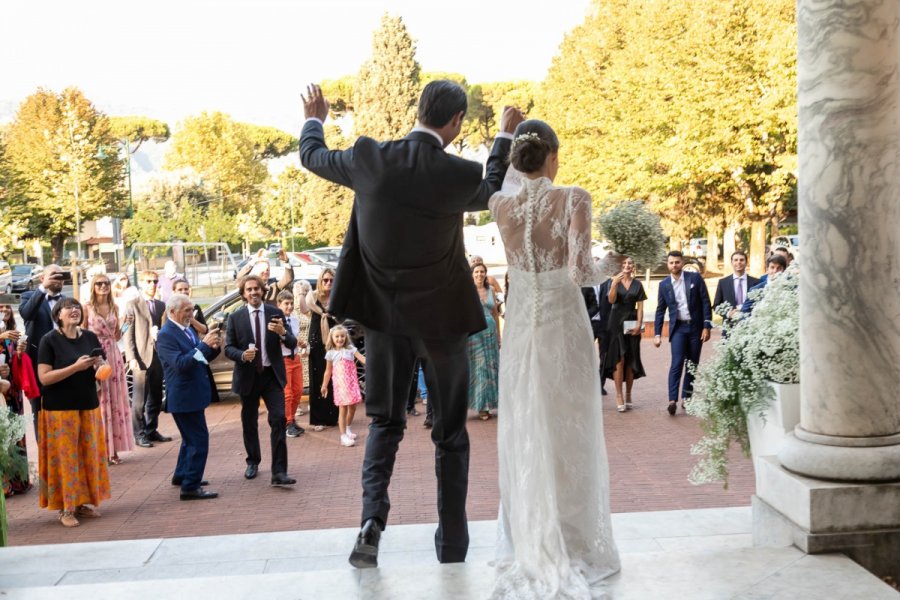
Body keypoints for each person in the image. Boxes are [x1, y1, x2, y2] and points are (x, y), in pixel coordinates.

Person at [300, 80, 521, 568]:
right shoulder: (456, 173)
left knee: (385, 423)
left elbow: (311, 157)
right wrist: (503, 139)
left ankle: (371, 522)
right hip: (442, 323)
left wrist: (316, 118)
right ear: (457, 121)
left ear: (419, 109)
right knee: (450, 433)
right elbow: (495, 189)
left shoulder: (368, 158)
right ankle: (453, 543)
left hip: (383, 322)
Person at [487, 120, 620, 597]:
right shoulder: (573, 198)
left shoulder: (499, 205)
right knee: (570, 428)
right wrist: (616, 263)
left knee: (528, 424)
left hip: (521, 331)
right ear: (552, 156)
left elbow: (500, 178)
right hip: (564, 327)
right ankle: (570, 537)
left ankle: (531, 536)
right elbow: (582, 272)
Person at [36, 298, 111, 527]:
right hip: (59, 409)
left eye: (77, 307)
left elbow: (99, 366)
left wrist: (99, 365)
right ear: (58, 315)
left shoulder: (89, 337)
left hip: (87, 404)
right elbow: (44, 378)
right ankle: (64, 508)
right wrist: (75, 367)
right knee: (65, 459)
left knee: (87, 456)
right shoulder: (49, 340)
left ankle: (80, 502)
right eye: (69, 307)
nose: (75, 310)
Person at [224, 275, 297, 486]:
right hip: (248, 376)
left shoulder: (275, 313)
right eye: (249, 289)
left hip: (271, 376)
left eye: (257, 288)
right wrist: (241, 355)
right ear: (243, 294)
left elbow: (292, 342)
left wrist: (283, 333)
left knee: (279, 419)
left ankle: (279, 472)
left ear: (262, 291)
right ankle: (253, 461)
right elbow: (228, 348)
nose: (254, 292)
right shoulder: (235, 318)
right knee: (249, 421)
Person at [155, 294, 221, 501]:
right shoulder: (167, 335)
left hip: (193, 394)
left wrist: (212, 348)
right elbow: (181, 364)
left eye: (191, 309)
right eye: (186, 310)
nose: (191, 314)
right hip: (183, 396)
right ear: (172, 312)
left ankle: (183, 475)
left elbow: (199, 359)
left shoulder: (186, 330)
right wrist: (203, 346)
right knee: (198, 441)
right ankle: (190, 486)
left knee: (190, 439)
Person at [653, 250, 713, 416]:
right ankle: (672, 400)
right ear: (668, 264)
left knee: (692, 365)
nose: (674, 265)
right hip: (678, 329)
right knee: (677, 363)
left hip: (695, 327)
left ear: (682, 263)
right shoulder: (664, 284)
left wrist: (706, 325)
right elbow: (660, 310)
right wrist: (657, 333)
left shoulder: (694, 278)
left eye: (677, 262)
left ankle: (687, 399)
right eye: (671, 263)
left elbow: (705, 302)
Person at [84, 273, 134, 465]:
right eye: (99, 283)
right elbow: (82, 333)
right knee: (101, 401)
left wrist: (128, 324)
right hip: (96, 355)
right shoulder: (87, 307)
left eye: (106, 283)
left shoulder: (115, 306)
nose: (103, 286)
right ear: (93, 286)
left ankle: (113, 450)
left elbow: (117, 335)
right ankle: (100, 449)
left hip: (113, 355)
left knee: (115, 402)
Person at [19, 264, 68, 439]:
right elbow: (26, 314)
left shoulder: (67, 302)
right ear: (42, 278)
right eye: (53, 275)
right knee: (39, 410)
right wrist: (42, 289)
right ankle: (44, 455)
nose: (58, 278)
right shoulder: (29, 296)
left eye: (60, 275)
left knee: (63, 407)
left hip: (63, 362)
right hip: (38, 361)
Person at [124, 271, 171, 447]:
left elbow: (165, 329)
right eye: (148, 281)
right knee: (139, 400)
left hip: (158, 355)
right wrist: (131, 357)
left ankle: (151, 430)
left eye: (155, 281)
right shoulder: (132, 304)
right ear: (142, 283)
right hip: (141, 356)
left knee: (157, 396)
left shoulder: (160, 305)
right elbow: (127, 333)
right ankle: (139, 433)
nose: (152, 284)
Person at [603, 256, 647, 412]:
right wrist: (614, 283)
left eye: (630, 263)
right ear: (620, 266)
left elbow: (640, 307)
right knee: (618, 359)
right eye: (624, 263)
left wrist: (639, 324)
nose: (627, 265)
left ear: (633, 266)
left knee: (631, 360)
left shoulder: (638, 284)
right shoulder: (612, 281)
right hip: (615, 323)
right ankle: (619, 395)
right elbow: (611, 300)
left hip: (631, 322)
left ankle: (628, 394)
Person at [0, 305, 34, 497]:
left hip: (13, 392)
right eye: (0, 305)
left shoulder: (13, 335)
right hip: (0, 393)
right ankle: (4, 485)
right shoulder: (4, 336)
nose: (4, 308)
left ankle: (19, 480)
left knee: (15, 434)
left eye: (6, 306)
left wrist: (20, 353)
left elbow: (17, 365)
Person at [320, 324, 365, 447]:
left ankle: (348, 428)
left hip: (352, 383)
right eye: (337, 336)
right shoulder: (330, 353)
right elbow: (328, 371)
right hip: (340, 385)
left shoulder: (351, 349)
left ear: (346, 337)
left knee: (353, 407)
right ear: (332, 338)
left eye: (342, 336)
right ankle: (343, 435)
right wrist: (324, 385)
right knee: (343, 408)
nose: (340, 339)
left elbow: (362, 359)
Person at [305, 268, 338, 431]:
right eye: (325, 280)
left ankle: (333, 416)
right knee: (317, 376)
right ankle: (318, 419)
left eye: (331, 280)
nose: (328, 283)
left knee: (334, 377)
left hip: (335, 338)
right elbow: (305, 309)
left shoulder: (337, 297)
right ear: (320, 280)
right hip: (317, 338)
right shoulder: (313, 296)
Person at [467, 263, 500, 420]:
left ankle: (490, 403)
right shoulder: (467, 291)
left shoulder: (491, 290)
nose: (479, 274)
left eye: (482, 272)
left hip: (490, 332)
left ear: (485, 274)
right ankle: (481, 406)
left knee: (491, 367)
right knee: (479, 368)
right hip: (474, 333)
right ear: (472, 274)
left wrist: (499, 335)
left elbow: (495, 313)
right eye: (476, 272)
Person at [276, 290, 307, 438]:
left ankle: (292, 418)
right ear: (279, 305)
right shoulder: (276, 322)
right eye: (286, 304)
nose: (289, 307)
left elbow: (294, 338)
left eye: (291, 304)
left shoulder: (294, 320)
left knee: (298, 390)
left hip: (296, 357)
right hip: (283, 359)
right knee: (287, 393)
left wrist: (301, 342)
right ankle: (287, 423)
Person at [713, 251, 760, 322]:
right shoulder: (723, 283)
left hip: (750, 324)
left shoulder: (756, 282)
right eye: (735, 260)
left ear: (746, 262)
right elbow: (716, 305)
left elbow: (759, 303)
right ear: (731, 263)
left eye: (741, 260)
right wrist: (728, 314)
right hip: (730, 324)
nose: (739, 262)